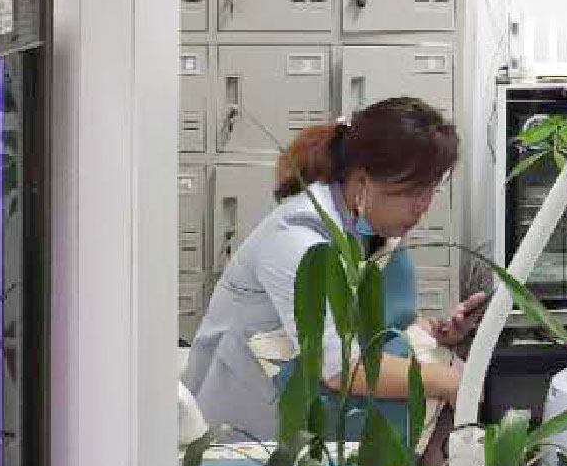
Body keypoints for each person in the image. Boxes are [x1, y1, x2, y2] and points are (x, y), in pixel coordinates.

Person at [182, 96, 488, 444]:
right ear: (361, 182)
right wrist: (448, 382)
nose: (423, 207)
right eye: (411, 191)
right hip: (245, 439)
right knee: (445, 394)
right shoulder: (298, 242)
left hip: (307, 416)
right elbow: (339, 367)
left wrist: (435, 330)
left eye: (431, 190)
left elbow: (366, 325)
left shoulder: (367, 230)